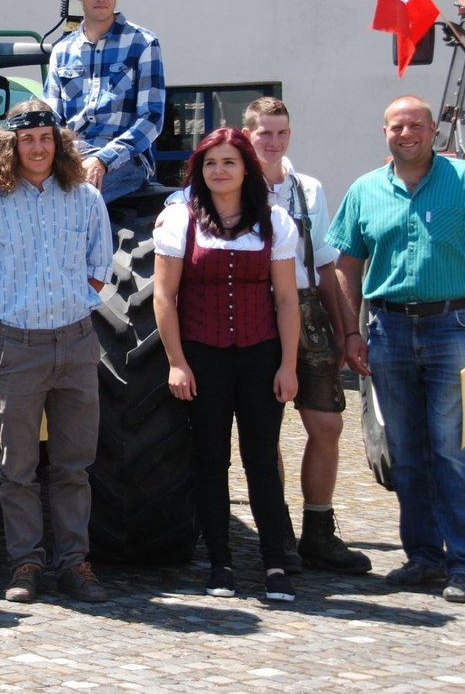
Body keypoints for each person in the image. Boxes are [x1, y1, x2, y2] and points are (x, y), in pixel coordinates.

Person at [328, 95, 465, 604]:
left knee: (454, 449)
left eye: (415, 124)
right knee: (407, 452)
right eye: (396, 126)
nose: (406, 133)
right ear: (385, 132)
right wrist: (350, 332)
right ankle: (423, 558)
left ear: (432, 129)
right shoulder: (365, 189)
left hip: (455, 326)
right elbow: (347, 265)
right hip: (388, 330)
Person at [0, 100, 114, 604]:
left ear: (58, 142)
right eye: (28, 139)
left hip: (76, 342)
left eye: (46, 137)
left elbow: (98, 268)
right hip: (16, 348)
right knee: (17, 468)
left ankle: (74, 564)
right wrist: (12, 322)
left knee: (73, 465)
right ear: (12, 146)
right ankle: (25, 563)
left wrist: (63, 309)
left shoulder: (86, 200)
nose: (38, 147)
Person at [153, 127, 300, 601]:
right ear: (200, 170)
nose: (219, 170)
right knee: (210, 462)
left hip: (261, 356)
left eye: (229, 162)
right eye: (211, 162)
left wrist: (289, 365)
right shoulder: (181, 219)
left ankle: (275, 565)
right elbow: (164, 296)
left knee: (261, 460)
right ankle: (220, 564)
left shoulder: (274, 221)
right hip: (203, 356)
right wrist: (177, 362)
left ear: (245, 169)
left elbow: (286, 301)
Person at [242, 98, 371, 575]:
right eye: (264, 134)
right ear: (249, 135)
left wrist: (347, 329)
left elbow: (326, 264)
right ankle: (278, 536)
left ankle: (319, 530)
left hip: (308, 308)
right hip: (257, 308)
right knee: (265, 431)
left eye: (281, 134)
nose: (273, 143)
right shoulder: (233, 183)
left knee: (327, 425)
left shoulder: (307, 188)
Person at [43, 0, 165, 202]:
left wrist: (102, 159)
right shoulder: (61, 51)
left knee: (75, 198)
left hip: (124, 159)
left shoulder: (143, 43)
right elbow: (50, 120)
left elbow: (152, 119)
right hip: (71, 157)